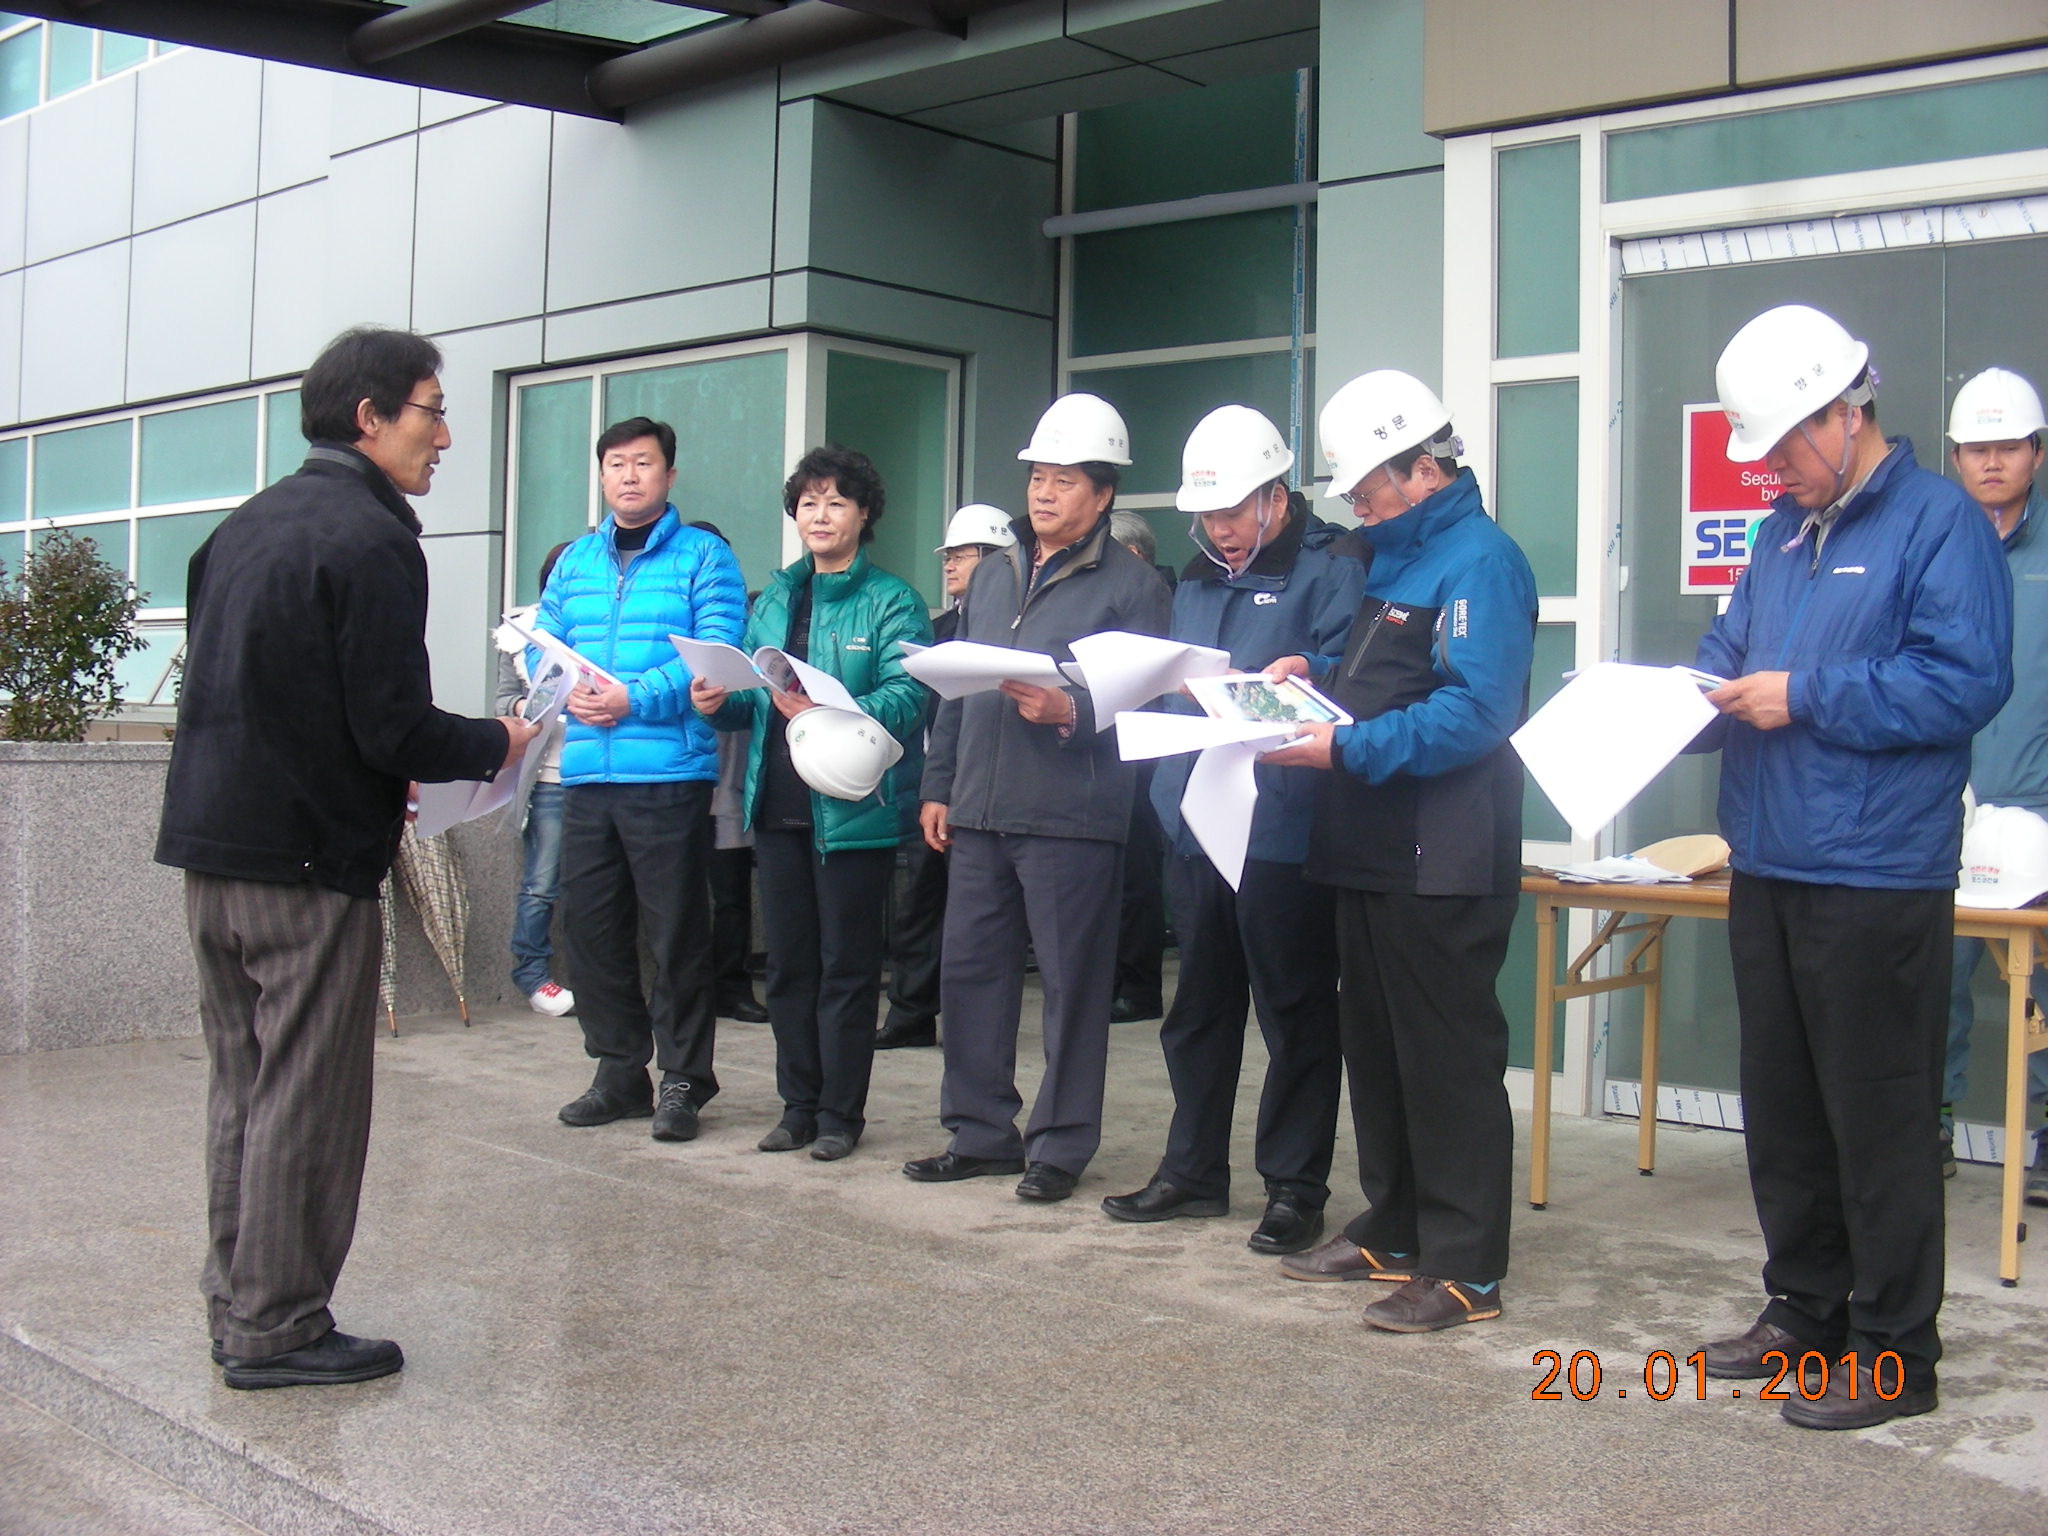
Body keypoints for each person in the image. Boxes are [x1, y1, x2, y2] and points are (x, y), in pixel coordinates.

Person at [156, 325, 538, 1389]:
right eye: (432, 412)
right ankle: (278, 1328)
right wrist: (500, 738)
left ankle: (239, 1303)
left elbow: (264, 693)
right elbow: (392, 727)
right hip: (307, 863)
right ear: (370, 417)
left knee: (244, 1087)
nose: (445, 437)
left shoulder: (240, 528)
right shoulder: (372, 540)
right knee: (307, 1097)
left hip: (213, 852)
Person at [1689, 304, 2011, 1430]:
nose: (1771, 469)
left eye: (1784, 445)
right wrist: (1670, 705)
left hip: (1877, 874)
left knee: (1876, 1121)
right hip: (1769, 861)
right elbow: (1728, 654)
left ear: (1843, 413)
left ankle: (1893, 1354)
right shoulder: (1781, 535)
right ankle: (1803, 1311)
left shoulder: (1939, 524)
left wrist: (1807, 695)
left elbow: (1964, 682)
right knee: (1783, 1111)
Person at [1262, 370, 1535, 1334]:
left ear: (1425, 468)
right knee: (1376, 1051)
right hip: (1370, 845)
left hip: (1441, 852)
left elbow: (1476, 711)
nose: (1360, 507)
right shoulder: (1395, 555)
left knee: (1447, 1060)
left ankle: (1466, 1267)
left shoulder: (1481, 561)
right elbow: (1388, 677)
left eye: (1371, 489)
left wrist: (1344, 747)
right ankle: (1398, 1225)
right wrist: (1315, 676)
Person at [1100, 405, 1366, 1256]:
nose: (1219, 530)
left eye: (1232, 513)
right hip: (1196, 819)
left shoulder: (1333, 569)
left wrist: (1303, 674)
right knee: (1198, 1009)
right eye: (1206, 516)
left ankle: (1294, 1189)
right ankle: (1191, 1171)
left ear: (1275, 497)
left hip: (1282, 826)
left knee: (1294, 1013)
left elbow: (1351, 680)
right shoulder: (1198, 577)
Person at [906, 393, 1173, 1201]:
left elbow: (1151, 705)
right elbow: (959, 686)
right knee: (970, 977)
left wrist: (1073, 711)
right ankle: (980, 1132)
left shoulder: (1134, 587)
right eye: (1037, 477)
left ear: (1104, 492)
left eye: (1064, 480)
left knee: (1071, 989)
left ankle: (1060, 1146)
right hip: (980, 810)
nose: (1044, 493)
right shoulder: (995, 572)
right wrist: (939, 786)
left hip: (1071, 815)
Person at [693, 445, 932, 1161]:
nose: (820, 515)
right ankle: (797, 1106)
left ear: (864, 514)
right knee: (790, 968)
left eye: (836, 502)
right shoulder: (773, 599)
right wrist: (718, 701)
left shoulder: (891, 599)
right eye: (808, 503)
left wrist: (833, 707)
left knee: (848, 970)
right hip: (777, 805)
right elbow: (754, 703)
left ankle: (839, 1115)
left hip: (851, 807)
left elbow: (910, 695)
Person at [535, 417, 748, 1141]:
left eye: (644, 463)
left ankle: (684, 1078)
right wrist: (567, 690)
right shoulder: (575, 561)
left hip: (668, 774)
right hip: (587, 774)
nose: (629, 476)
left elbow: (715, 649)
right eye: (616, 464)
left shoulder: (704, 556)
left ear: (669, 475)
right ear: (601, 476)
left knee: (676, 932)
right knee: (590, 931)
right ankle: (619, 1071)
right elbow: (544, 647)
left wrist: (635, 698)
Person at [1941, 367, 2048, 1199]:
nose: (1991, 462)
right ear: (1955, 457)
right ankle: (1930, 1123)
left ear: (2036, 453)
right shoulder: (1935, 546)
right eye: (1977, 448)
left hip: (2040, 803)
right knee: (1935, 981)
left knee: (2043, 985)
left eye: (2008, 446)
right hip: (1947, 805)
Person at [877, 504, 1018, 1051]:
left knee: (978, 919)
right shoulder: (939, 631)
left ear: (995, 558)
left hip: (988, 789)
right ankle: (910, 1013)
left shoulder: (1013, 626)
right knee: (920, 906)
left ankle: (974, 1025)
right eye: (948, 556)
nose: (950, 565)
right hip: (936, 787)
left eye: (961, 555)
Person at [690, 521, 768, 1026]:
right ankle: (688, 990)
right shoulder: (674, 628)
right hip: (681, 782)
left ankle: (731, 986)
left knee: (732, 897)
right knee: (681, 900)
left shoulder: (749, 627)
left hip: (736, 789)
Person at [494, 542, 575, 1018]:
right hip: (549, 777)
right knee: (542, 882)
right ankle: (531, 972)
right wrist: (530, 705)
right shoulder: (520, 631)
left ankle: (598, 978)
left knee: (600, 885)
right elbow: (503, 700)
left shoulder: (605, 623)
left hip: (605, 773)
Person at [1106, 508, 1171, 1024]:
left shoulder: (1160, 599)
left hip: (1145, 747)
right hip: (1103, 742)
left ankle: (1138, 985)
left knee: (1135, 873)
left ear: (1132, 555)